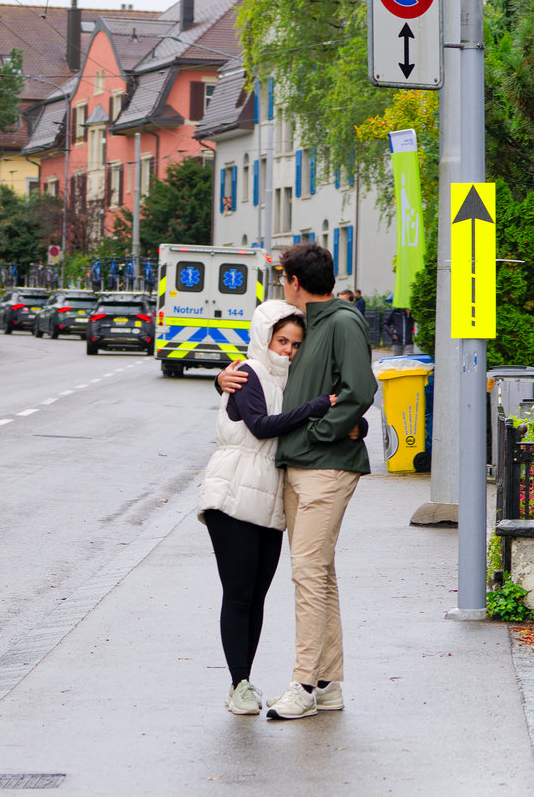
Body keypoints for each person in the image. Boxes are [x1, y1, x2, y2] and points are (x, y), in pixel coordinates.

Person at [218, 243, 376, 720]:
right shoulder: (310, 324)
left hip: (325, 466)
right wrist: (223, 380)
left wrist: (322, 432)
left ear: (294, 281)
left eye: (282, 278)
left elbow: (360, 390)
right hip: (301, 466)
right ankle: (327, 684)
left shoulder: (343, 321)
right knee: (320, 576)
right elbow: (268, 378)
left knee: (307, 574)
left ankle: (304, 684)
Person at [198, 301, 359, 716]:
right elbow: (260, 426)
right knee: (238, 595)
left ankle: (245, 684)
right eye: (281, 341)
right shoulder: (247, 372)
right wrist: (318, 406)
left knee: (257, 597)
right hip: (233, 495)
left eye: (295, 344)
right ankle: (238, 685)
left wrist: (347, 420)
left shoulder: (290, 380)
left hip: (270, 500)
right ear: (264, 337)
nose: (287, 350)